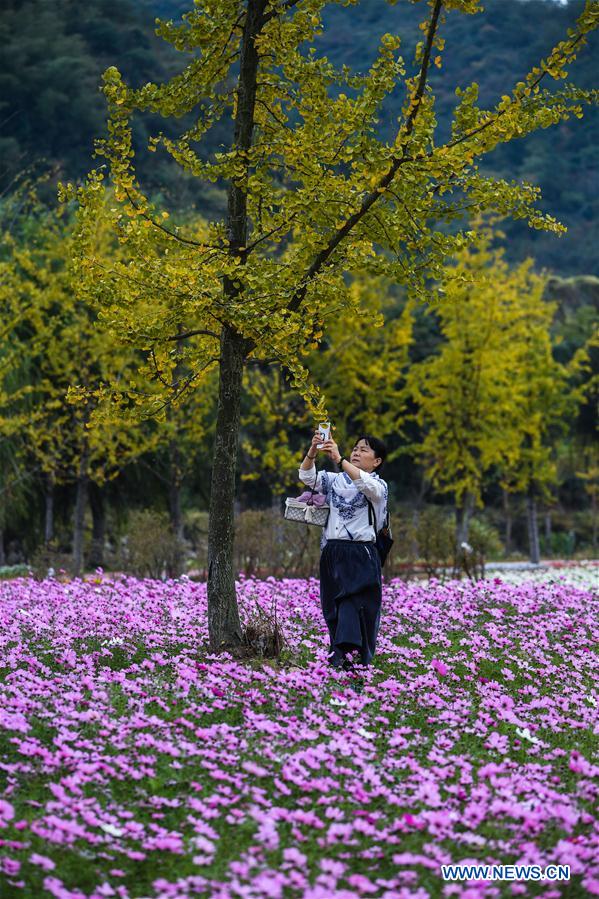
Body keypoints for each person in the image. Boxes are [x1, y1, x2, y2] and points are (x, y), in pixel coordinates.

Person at [298, 430, 388, 671]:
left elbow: (365, 485)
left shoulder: (378, 485)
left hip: (361, 554)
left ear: (376, 461)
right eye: (355, 448)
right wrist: (313, 450)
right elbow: (307, 476)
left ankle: (350, 661)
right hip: (333, 552)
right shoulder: (335, 480)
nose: (357, 452)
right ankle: (340, 658)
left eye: (364, 449)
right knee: (334, 609)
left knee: (355, 607)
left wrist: (339, 460)